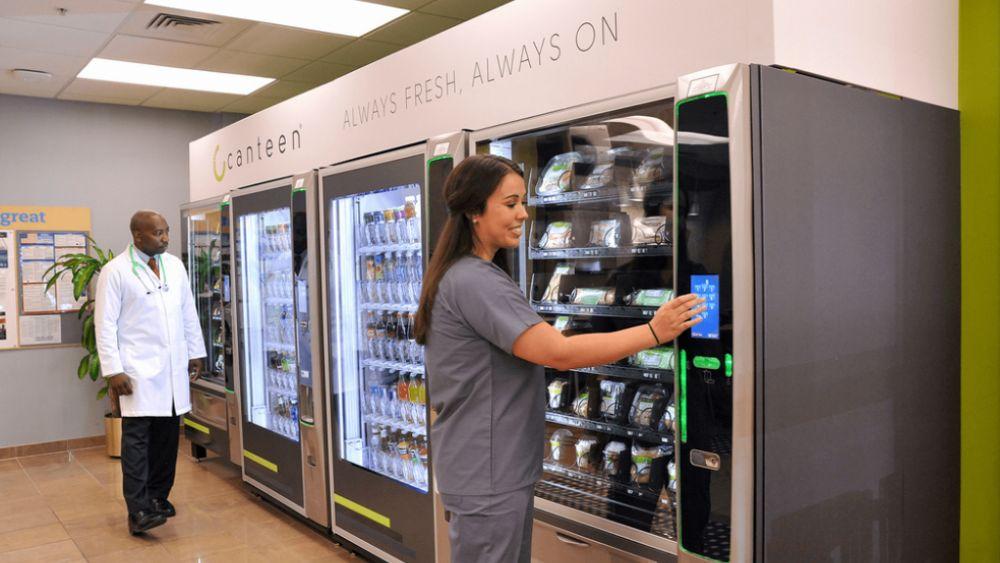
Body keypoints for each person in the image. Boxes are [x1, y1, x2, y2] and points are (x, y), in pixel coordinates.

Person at [414, 155, 705, 562]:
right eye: (510, 203)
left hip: (485, 467)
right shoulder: (475, 280)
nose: (523, 213)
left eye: (523, 202)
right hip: (489, 472)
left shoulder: (463, 274)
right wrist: (654, 331)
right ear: (473, 212)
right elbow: (559, 354)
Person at [94, 210, 206, 535]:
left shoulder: (174, 266)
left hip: (172, 373)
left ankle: (158, 497)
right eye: (158, 233)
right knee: (137, 442)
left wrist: (196, 350)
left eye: (166, 231)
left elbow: (187, 310)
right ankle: (138, 510)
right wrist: (113, 370)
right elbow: (105, 325)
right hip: (138, 373)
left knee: (168, 439)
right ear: (138, 236)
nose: (165, 238)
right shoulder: (115, 272)